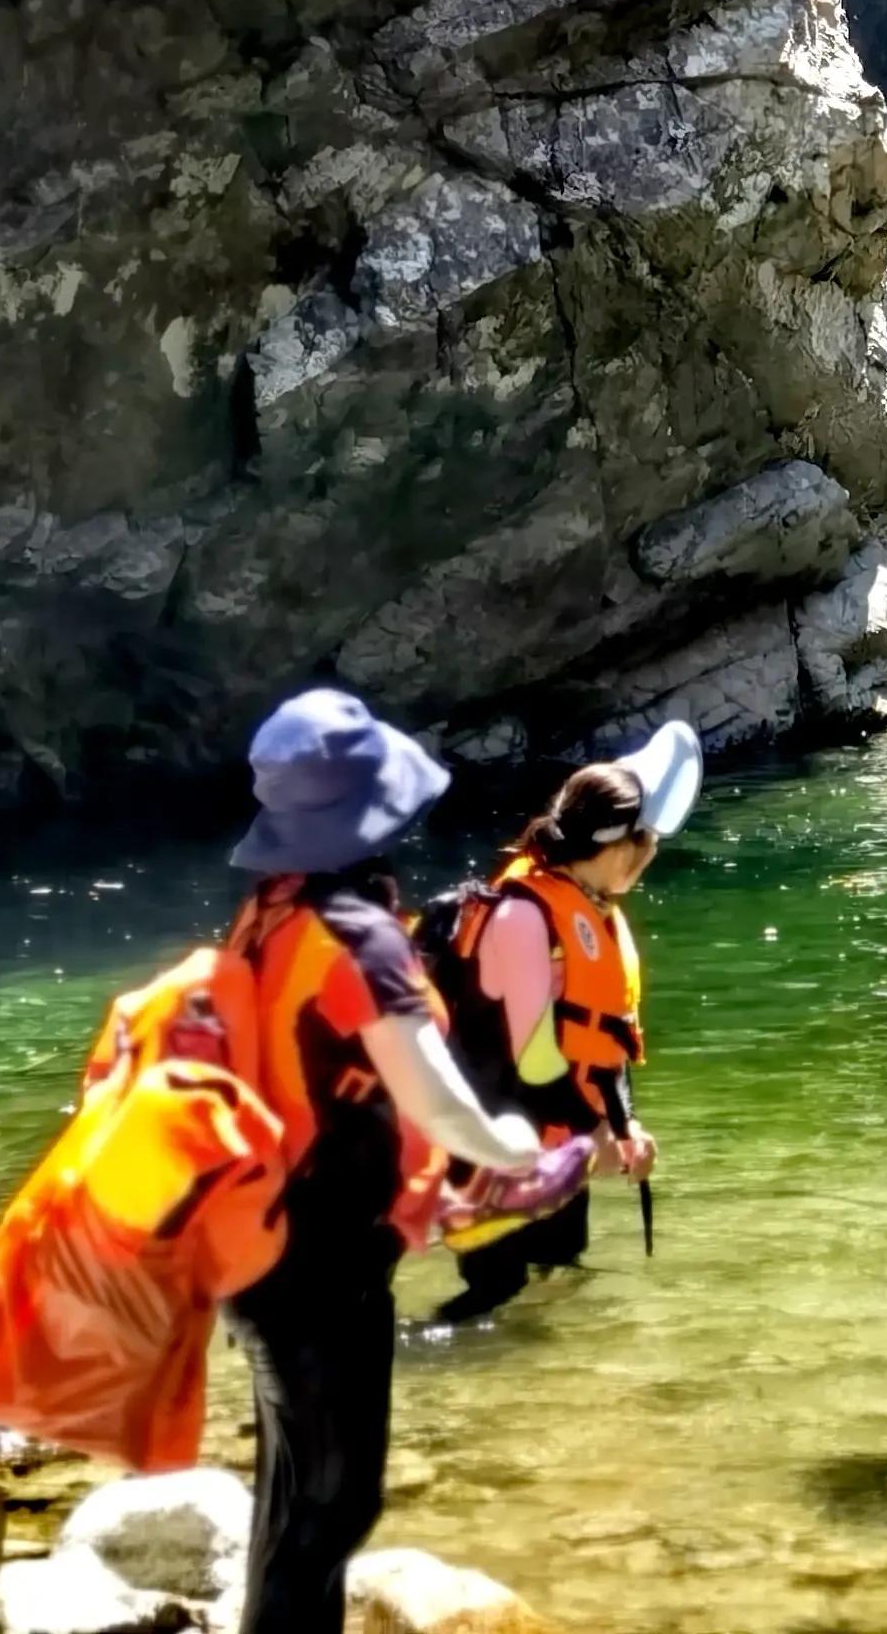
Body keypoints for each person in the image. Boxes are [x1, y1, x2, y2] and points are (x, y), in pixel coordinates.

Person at [224, 693, 559, 1634]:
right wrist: (515, 1149)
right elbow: (434, 1099)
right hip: (321, 1266)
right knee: (334, 1508)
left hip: (257, 1245)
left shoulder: (270, 914)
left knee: (294, 1497)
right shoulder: (361, 937)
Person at [433, 720, 703, 1321]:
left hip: (560, 1143)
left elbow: (606, 1040)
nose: (652, 855)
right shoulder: (523, 917)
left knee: (560, 1271)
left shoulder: (594, 909)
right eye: (648, 842)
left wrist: (623, 1125)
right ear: (621, 847)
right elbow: (535, 1058)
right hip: (496, 1146)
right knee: (492, 1297)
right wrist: (597, 1132)